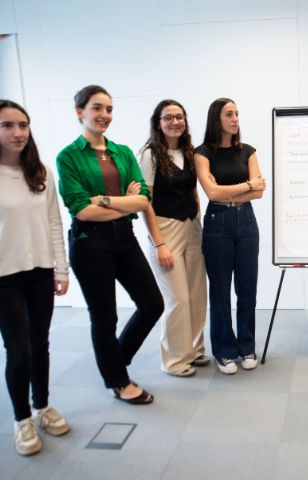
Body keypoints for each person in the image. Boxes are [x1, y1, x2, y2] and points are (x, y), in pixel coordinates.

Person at [56, 85, 163, 404]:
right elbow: (81, 209)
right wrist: (125, 203)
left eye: (109, 109)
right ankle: (118, 381)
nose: (105, 115)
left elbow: (143, 199)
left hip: (124, 237)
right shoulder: (68, 156)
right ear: (80, 112)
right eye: (97, 108)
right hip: (90, 242)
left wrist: (103, 199)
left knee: (152, 304)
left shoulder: (123, 152)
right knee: (104, 316)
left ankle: (115, 359)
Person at [0, 100, 70, 456]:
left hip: (40, 271)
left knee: (40, 343)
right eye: (8, 125)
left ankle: (42, 406)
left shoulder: (41, 172)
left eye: (23, 125)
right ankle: (22, 419)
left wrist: (61, 268)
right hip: (4, 277)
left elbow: (55, 222)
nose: (18, 133)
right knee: (19, 350)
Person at [194, 98, 265, 375]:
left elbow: (259, 192)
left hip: (246, 222)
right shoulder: (203, 153)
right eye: (229, 114)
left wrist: (230, 191)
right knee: (220, 291)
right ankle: (224, 351)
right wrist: (247, 184)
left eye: (236, 114)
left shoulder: (248, 151)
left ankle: (247, 346)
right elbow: (212, 193)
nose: (235, 119)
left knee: (247, 289)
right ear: (216, 118)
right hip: (217, 224)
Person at [139, 100, 209, 377]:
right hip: (165, 229)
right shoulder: (149, 155)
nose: (175, 122)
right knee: (177, 298)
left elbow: (193, 192)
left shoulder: (190, 152)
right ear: (158, 123)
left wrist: (198, 221)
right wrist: (158, 244)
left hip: (192, 226)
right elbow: (145, 202)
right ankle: (175, 361)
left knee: (196, 294)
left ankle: (194, 349)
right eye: (168, 117)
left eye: (179, 117)